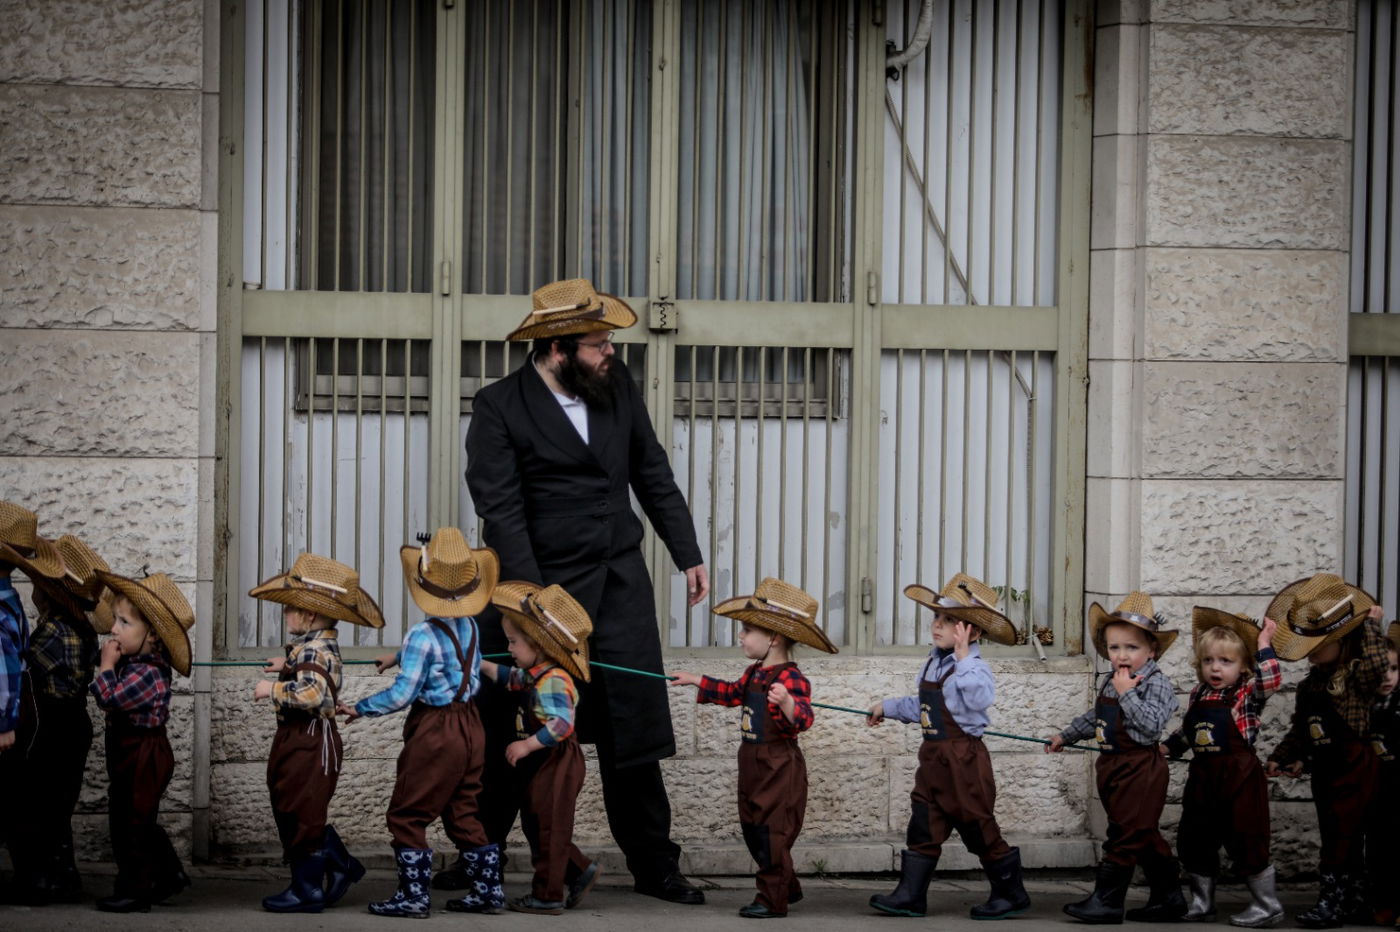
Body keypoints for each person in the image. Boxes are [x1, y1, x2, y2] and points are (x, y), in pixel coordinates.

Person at [463, 278, 709, 904]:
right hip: (536, 591)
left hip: (618, 581)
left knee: (633, 731)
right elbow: (501, 510)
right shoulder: (498, 406)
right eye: (600, 344)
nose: (612, 354)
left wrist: (688, 555)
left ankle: (655, 864)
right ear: (556, 348)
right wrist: (535, 606)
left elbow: (652, 469)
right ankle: (480, 858)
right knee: (515, 729)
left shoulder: (615, 388)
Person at [339, 528, 502, 918]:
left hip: (436, 731)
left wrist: (360, 708)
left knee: (407, 813)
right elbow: (449, 657)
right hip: (471, 726)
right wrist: (398, 656)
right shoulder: (471, 627)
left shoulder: (421, 635)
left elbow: (401, 695)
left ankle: (413, 897)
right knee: (463, 810)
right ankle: (488, 891)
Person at [670, 578, 837, 919]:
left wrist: (789, 703)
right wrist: (698, 680)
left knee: (772, 832)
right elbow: (732, 693)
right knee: (753, 828)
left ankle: (771, 900)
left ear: (773, 637)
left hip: (778, 765)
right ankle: (786, 885)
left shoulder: (791, 678)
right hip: (752, 761)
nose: (741, 637)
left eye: (747, 630)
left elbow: (804, 719)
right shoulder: (755, 672)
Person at [866, 574, 1029, 921]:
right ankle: (911, 895)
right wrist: (888, 707)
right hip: (934, 759)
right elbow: (923, 706)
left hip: (963, 761)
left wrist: (964, 657)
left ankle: (1010, 893)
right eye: (937, 619)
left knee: (978, 825)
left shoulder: (975, 668)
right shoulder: (933, 662)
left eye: (950, 621)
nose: (938, 626)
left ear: (974, 631)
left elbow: (981, 698)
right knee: (923, 821)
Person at [248, 552, 383, 912]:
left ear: (308, 615)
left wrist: (271, 689)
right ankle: (342, 865)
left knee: (302, 809)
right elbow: (309, 669)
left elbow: (312, 693)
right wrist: (288, 663)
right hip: (300, 736)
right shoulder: (311, 647)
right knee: (294, 804)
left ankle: (308, 890)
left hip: (310, 738)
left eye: (290, 608)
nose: (285, 613)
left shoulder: (319, 649)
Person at [1048, 591, 1184, 924]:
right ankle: (1170, 898)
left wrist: (1129, 694)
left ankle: (1107, 902)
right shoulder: (1112, 680)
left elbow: (1151, 726)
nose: (1122, 655)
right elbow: (1097, 718)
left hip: (1141, 768)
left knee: (1124, 835)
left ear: (1151, 650)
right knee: (1142, 834)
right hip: (1112, 766)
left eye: (1132, 648)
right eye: (1114, 648)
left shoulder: (1155, 684)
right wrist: (1066, 735)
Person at [1266, 574, 1389, 929]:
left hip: (1356, 769)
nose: (1312, 649)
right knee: (1334, 833)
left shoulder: (1356, 680)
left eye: (1321, 642)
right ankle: (1348, 898)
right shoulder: (1310, 685)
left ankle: (1337, 899)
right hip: (1326, 770)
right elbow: (1302, 729)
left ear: (1342, 639)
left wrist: (1369, 628)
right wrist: (1284, 755)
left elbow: (1377, 666)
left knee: (1346, 835)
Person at [479, 581, 598, 915]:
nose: (509, 647)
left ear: (538, 644)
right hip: (545, 761)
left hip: (557, 759)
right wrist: (482, 665)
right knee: (540, 822)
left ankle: (547, 895)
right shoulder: (536, 674)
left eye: (514, 642)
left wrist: (527, 745)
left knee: (549, 827)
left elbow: (562, 724)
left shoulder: (555, 680)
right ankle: (579, 869)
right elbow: (512, 678)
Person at [1162, 608, 1282, 927]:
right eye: (1208, 661)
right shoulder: (1199, 693)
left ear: (1243, 666)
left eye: (1226, 661)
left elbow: (1271, 678)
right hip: (1203, 776)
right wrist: (1167, 747)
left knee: (1246, 837)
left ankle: (1266, 905)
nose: (1216, 668)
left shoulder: (1246, 693)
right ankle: (1202, 902)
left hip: (1239, 777)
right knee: (1195, 838)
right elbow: (1190, 731)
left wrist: (1264, 642)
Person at [9, 535, 109, 903]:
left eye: (37, 582)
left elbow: (28, 672)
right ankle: (63, 876)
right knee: (57, 806)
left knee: (36, 804)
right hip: (72, 722)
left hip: (53, 724)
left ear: (48, 593)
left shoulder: (53, 632)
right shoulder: (80, 628)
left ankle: (38, 882)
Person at [89, 569, 196, 913]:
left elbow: (110, 698)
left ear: (152, 636)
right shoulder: (134, 661)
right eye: (115, 620)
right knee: (136, 818)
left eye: (123, 623)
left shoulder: (146, 672)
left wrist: (106, 666)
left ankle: (135, 890)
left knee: (132, 825)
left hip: (144, 754)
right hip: (130, 752)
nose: (114, 629)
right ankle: (168, 875)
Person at [0, 501, 66, 900]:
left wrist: (5, 722)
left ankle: (35, 878)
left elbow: (6, 669)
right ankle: (35, 876)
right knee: (15, 797)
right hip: (15, 710)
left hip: (8, 715)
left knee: (11, 800)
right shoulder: (9, 598)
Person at [1365, 622, 1400, 926]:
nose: (1387, 676)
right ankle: (1382, 901)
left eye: (1393, 669)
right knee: (1377, 848)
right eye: (1380, 669)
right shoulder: (1362, 707)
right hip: (1372, 787)